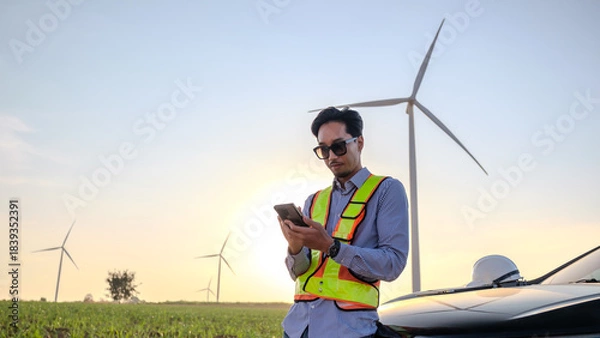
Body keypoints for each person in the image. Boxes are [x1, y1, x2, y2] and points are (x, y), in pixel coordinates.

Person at [278, 107, 409, 338]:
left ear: (359, 142)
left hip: (349, 330)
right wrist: (295, 247)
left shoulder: (387, 191)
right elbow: (297, 273)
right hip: (298, 329)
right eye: (323, 149)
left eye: (338, 147)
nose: (331, 156)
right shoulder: (314, 200)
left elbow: (393, 264)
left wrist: (331, 247)